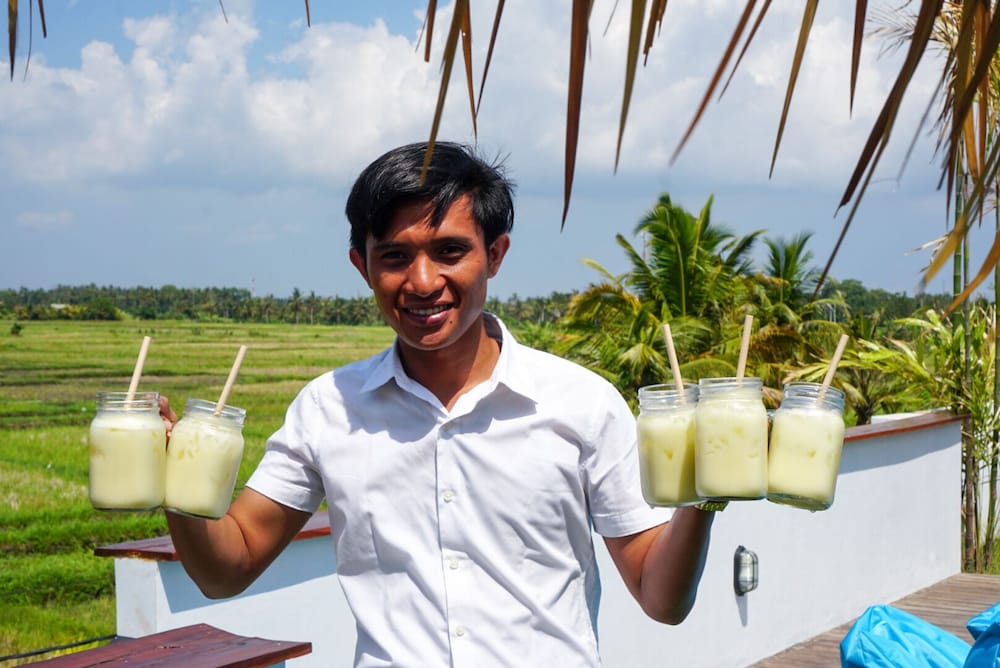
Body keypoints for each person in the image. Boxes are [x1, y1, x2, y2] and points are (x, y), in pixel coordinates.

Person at [161, 141, 717, 667]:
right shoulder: (328, 409)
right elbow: (226, 570)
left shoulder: (582, 404)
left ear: (495, 255)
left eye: (450, 251)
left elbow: (660, 597)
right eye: (396, 257)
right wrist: (176, 479)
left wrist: (703, 494)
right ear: (363, 266)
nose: (423, 282)